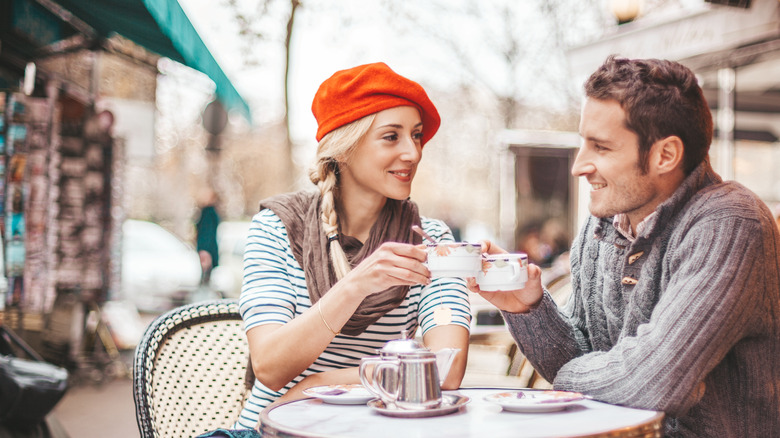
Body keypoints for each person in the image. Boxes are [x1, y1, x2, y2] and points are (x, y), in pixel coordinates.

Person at [469, 56, 780, 437]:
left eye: (600, 147)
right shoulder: (604, 223)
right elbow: (598, 371)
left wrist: (574, 379)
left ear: (665, 155)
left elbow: (651, 383)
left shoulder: (731, 224)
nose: (579, 166)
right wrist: (530, 309)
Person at [202, 62, 471, 436]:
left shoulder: (432, 241)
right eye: (391, 137)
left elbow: (447, 371)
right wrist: (356, 284)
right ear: (344, 147)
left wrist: (314, 385)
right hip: (269, 430)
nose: (412, 153)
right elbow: (270, 365)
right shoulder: (277, 227)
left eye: (416, 135)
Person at [195, 188, 221, 285]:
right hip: (209, 248)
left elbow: (207, 232)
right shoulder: (211, 211)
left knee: (205, 278)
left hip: (206, 249)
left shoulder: (208, 212)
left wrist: (204, 250)